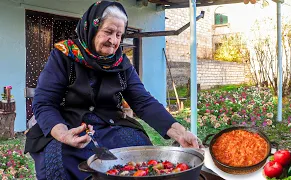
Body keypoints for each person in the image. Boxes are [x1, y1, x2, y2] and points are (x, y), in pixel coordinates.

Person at [25, 1, 200, 179]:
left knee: (140, 149)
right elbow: (45, 102)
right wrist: (62, 134)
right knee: (60, 162)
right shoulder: (64, 55)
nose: (114, 40)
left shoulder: (121, 63)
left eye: (119, 35)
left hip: (110, 125)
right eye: (108, 32)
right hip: (69, 126)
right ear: (91, 28)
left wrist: (180, 133)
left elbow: (143, 101)